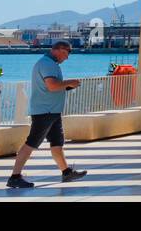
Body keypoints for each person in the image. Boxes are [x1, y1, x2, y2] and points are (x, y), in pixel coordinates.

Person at [8, 41, 89, 188]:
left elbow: (52, 87)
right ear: (57, 50)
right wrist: (69, 82)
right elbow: (52, 86)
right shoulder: (47, 64)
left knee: (57, 144)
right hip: (44, 112)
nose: (67, 57)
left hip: (52, 112)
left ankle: (66, 172)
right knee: (31, 143)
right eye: (66, 52)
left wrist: (67, 86)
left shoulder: (50, 64)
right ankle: (15, 177)